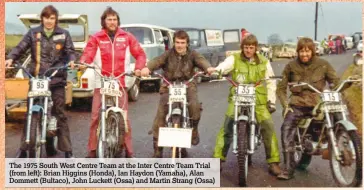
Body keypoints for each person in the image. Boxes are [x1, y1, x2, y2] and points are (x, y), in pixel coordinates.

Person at [6, 5, 76, 158]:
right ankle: (24, 149)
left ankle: (67, 150)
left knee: (60, 113)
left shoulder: (64, 34)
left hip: (56, 78)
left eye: (52, 18)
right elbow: (20, 47)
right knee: (30, 113)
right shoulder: (33, 33)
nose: (49, 21)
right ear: (42, 18)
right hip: (37, 78)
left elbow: (70, 51)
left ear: (56, 19)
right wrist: (11, 57)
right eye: (46, 18)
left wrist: (71, 60)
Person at [78, 7, 147, 158]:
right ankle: (92, 150)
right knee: (96, 116)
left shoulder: (127, 37)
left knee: (124, 117)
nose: (112, 22)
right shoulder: (96, 38)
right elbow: (88, 53)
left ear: (118, 21)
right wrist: (83, 62)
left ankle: (129, 151)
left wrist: (139, 68)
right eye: (109, 19)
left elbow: (140, 53)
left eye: (114, 19)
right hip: (101, 83)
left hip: (120, 82)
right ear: (104, 21)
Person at [211, 34, 281, 176]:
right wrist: (216, 71)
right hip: (237, 98)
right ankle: (217, 160)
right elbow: (223, 67)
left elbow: (271, 82)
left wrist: (271, 101)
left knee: (268, 125)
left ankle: (273, 162)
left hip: (258, 100)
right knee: (228, 125)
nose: (248, 50)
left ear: (256, 48)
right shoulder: (234, 59)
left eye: (251, 47)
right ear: (242, 48)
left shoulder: (264, 61)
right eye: (246, 47)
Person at [140, 30, 215, 158]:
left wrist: (208, 68)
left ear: (187, 44)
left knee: (194, 107)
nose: (179, 45)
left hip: (187, 84)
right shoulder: (168, 54)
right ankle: (158, 149)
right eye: (177, 42)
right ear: (173, 43)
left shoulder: (193, 54)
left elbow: (202, 61)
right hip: (169, 84)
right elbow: (157, 61)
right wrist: (147, 68)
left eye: (182, 43)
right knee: (161, 114)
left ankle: (194, 131)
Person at [276, 37, 341, 180]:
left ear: (313, 51)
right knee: (286, 128)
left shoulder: (323, 64)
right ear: (298, 51)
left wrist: (346, 84)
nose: (304, 54)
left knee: (335, 115)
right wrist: (285, 105)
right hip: (297, 105)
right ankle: (288, 169)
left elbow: (335, 82)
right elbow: (281, 88)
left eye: (307, 51)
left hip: (317, 104)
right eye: (302, 51)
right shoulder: (291, 66)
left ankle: (337, 145)